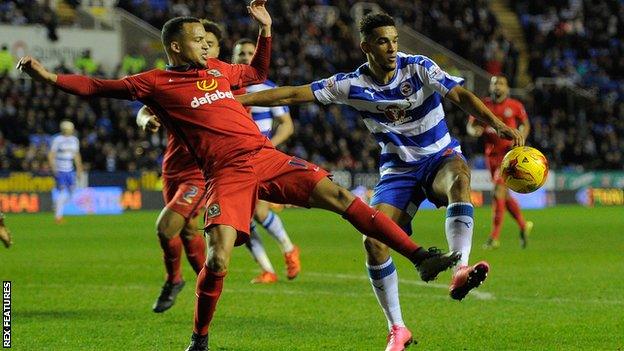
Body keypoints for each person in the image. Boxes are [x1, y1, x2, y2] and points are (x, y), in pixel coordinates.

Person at [17, 10, 460, 351]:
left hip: (266, 158)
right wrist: (50, 77)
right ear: (175, 45)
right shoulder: (154, 83)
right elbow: (96, 87)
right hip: (226, 175)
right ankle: (200, 337)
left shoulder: (219, 71)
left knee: (341, 196)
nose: (207, 47)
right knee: (221, 258)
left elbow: (258, 75)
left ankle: (420, 256)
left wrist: (265, 31)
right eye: (197, 41)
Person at [236, 13, 524, 350]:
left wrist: (494, 124)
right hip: (398, 171)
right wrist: (234, 100)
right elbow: (290, 95)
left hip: (439, 157)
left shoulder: (418, 67)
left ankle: (460, 268)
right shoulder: (351, 85)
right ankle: (398, 329)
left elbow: (459, 95)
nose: (391, 48)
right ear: (366, 46)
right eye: (383, 41)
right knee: (373, 242)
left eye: (394, 40)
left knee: (460, 178)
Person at [135, 17, 271, 313]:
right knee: (186, 230)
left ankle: (178, 280)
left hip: (204, 170)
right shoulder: (178, 80)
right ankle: (202, 282)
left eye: (208, 44)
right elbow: (144, 110)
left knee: (167, 226)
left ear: (218, 49)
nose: (203, 47)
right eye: (199, 42)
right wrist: (147, 121)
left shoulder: (227, 81)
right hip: (173, 166)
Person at [231, 38, 300, 284]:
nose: (246, 57)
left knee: (259, 212)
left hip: (257, 158)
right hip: (230, 160)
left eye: (251, 53)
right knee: (241, 220)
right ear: (233, 57)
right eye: (241, 53)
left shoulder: (267, 87)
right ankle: (267, 269)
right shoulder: (225, 89)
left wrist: (269, 145)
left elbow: (287, 125)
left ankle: (288, 249)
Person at [466, 75, 533, 249]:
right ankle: (523, 225)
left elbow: (525, 124)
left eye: (501, 84)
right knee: (504, 195)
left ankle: (494, 237)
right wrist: (474, 131)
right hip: (491, 157)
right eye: (495, 84)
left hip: (508, 155)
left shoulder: (515, 106)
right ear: (490, 87)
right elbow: (471, 125)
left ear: (507, 88)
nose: (498, 87)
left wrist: (521, 138)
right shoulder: (484, 105)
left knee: (497, 192)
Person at [48, 120, 83, 224]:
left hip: (69, 170)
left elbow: (76, 155)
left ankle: (58, 204)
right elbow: (51, 154)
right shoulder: (57, 139)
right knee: (62, 192)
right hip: (60, 170)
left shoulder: (74, 140)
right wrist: (53, 168)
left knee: (72, 192)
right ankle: (58, 217)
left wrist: (79, 169)